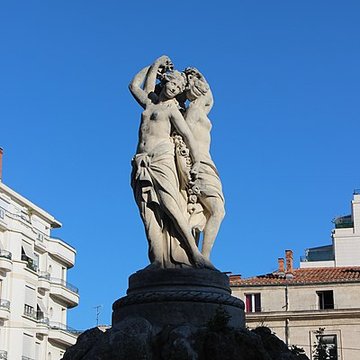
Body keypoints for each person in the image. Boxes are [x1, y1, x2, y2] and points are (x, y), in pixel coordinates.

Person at [129, 56, 214, 269]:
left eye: (178, 87)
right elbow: (134, 85)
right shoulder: (149, 103)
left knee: (171, 207)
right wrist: (155, 65)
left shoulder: (172, 110)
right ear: (165, 81)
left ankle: (195, 254)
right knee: (148, 212)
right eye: (172, 83)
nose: (174, 88)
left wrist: (195, 162)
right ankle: (157, 259)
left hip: (162, 158)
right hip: (140, 161)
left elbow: (188, 136)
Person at [182, 67, 225, 260]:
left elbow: (210, 98)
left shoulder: (199, 107)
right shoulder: (192, 111)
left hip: (207, 164)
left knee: (205, 213)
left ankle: (196, 256)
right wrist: (194, 163)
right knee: (217, 210)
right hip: (200, 165)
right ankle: (204, 257)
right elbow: (186, 138)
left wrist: (197, 74)